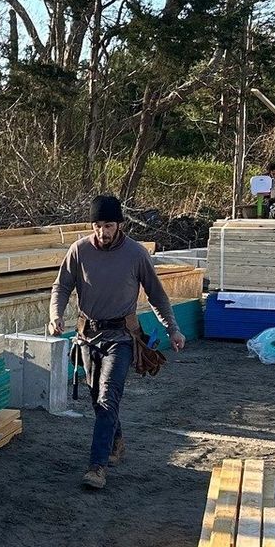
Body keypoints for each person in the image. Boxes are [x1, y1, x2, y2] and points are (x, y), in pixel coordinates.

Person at [48, 195, 186, 492]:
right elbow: (61, 286)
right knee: (98, 399)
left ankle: (97, 467)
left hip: (122, 338)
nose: (102, 232)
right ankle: (117, 441)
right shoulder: (79, 250)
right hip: (87, 337)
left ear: (119, 224)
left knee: (107, 397)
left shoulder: (135, 254)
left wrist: (173, 329)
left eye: (108, 225)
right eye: (97, 226)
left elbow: (157, 295)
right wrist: (55, 315)